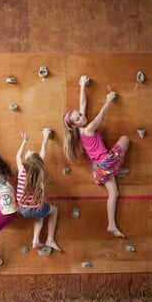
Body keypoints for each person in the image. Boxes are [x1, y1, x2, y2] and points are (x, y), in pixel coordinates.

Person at [63, 75, 130, 237]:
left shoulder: (80, 130)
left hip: (98, 169)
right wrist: (108, 99)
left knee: (114, 194)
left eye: (79, 114)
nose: (81, 116)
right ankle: (116, 169)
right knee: (125, 140)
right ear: (75, 125)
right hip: (106, 162)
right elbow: (101, 115)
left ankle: (111, 225)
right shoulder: (88, 129)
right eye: (78, 118)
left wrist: (82, 85)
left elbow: (83, 105)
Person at [16, 128, 62, 256]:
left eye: (30, 152)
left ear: (27, 161)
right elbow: (43, 151)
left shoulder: (22, 169)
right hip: (36, 208)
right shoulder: (39, 171)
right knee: (53, 210)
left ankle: (36, 240)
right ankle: (50, 239)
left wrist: (24, 142)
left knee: (39, 213)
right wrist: (45, 136)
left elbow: (18, 156)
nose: (30, 150)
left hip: (23, 209)